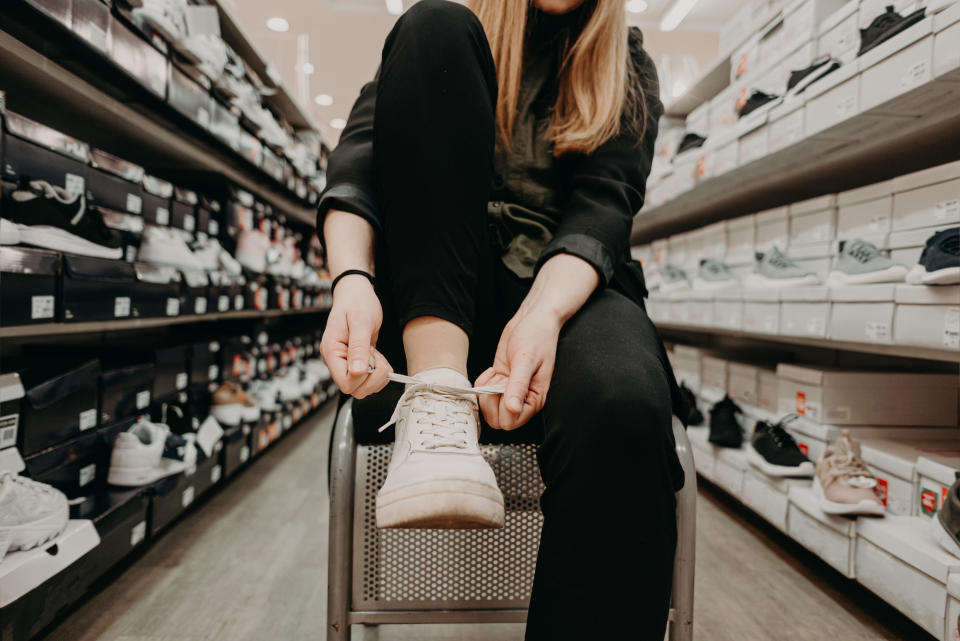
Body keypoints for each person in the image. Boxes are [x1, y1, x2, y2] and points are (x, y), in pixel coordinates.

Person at [317, 0, 686, 637]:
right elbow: (359, 164)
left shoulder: (625, 62)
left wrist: (542, 313)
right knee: (435, 23)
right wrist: (352, 279)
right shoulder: (448, 34)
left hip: (563, 289)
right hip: (434, 298)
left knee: (623, 403)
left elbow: (604, 208)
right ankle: (442, 396)